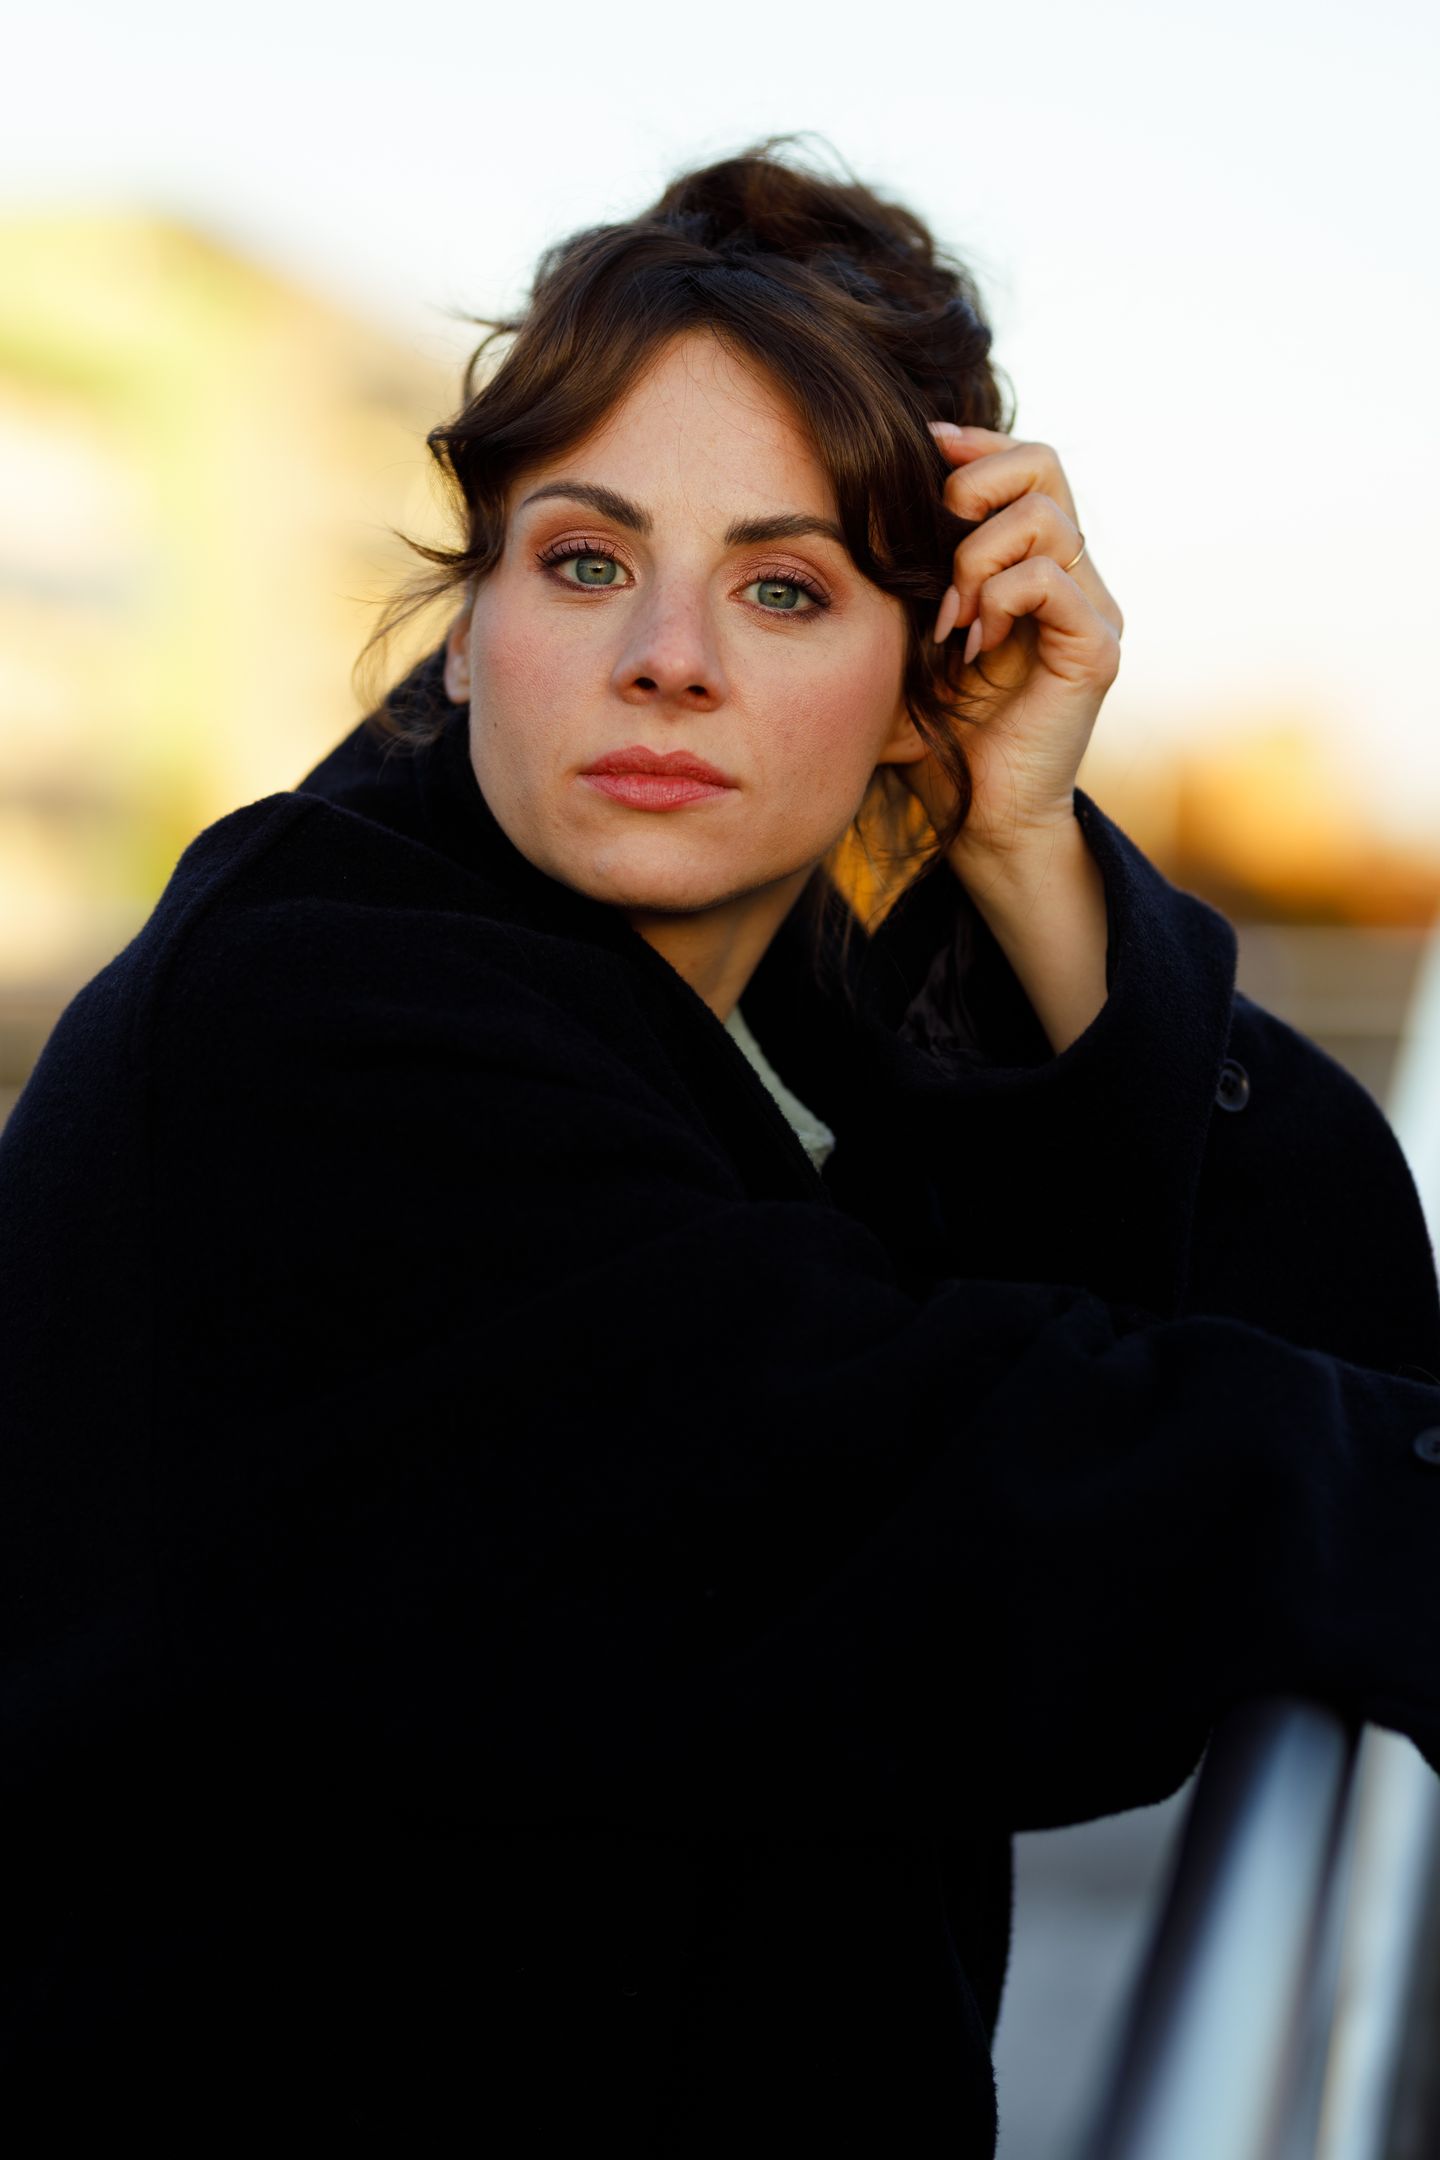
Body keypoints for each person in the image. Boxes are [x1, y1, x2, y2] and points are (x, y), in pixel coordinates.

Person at [3, 136, 1440, 2156]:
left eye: (785, 587)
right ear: (472, 618)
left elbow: (1332, 1303)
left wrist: (1027, 846)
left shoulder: (765, 1009)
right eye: (587, 560)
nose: (667, 655)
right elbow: (915, 1485)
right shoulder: (310, 1013)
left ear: (931, 671)